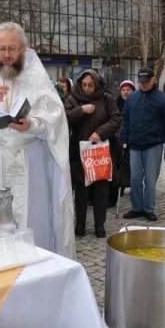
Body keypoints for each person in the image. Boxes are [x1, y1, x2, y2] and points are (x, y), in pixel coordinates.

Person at [0, 21, 75, 258]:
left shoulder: (38, 80)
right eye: (1, 49)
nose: (6, 55)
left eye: (12, 49)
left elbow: (55, 122)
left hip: (30, 162)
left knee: (33, 223)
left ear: (24, 48)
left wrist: (31, 125)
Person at [65, 70, 121, 238]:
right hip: (80, 150)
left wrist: (100, 132)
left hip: (100, 149)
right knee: (81, 189)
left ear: (96, 84)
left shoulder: (106, 99)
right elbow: (65, 118)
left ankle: (99, 224)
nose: (87, 88)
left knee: (101, 189)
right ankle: (80, 223)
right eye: (84, 84)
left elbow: (116, 119)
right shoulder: (73, 98)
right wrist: (81, 110)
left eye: (90, 84)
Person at [120, 68, 165, 222]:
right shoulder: (132, 98)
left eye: (146, 82)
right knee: (135, 178)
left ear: (153, 80)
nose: (143, 84)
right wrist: (124, 136)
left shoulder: (163, 99)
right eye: (141, 82)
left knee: (150, 179)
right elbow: (126, 119)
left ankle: (149, 208)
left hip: (154, 144)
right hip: (135, 144)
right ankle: (137, 208)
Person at [108, 79, 135, 203]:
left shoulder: (136, 102)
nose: (125, 92)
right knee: (119, 163)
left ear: (133, 91)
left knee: (131, 163)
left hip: (132, 137)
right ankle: (120, 185)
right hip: (117, 137)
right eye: (123, 90)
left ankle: (132, 185)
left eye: (128, 90)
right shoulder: (115, 103)